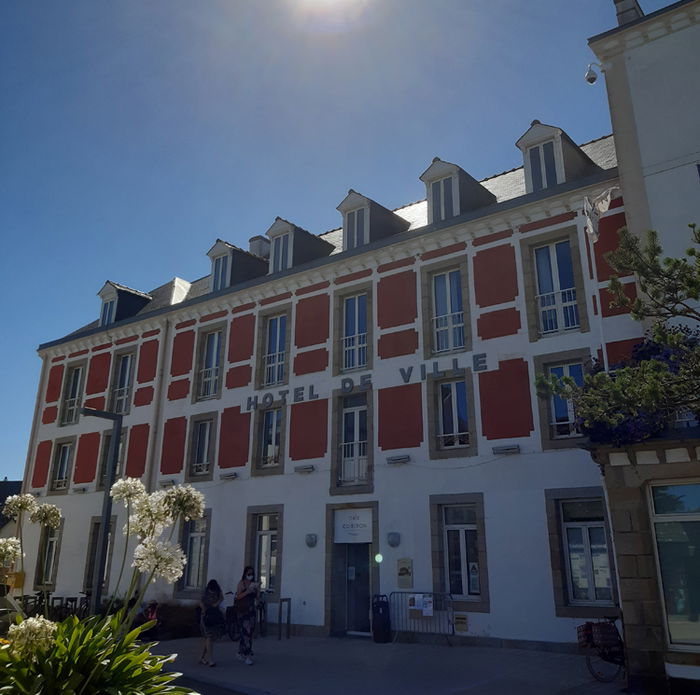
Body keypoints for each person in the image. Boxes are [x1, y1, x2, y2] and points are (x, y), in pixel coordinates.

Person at [235, 566, 259, 665]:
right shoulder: (241, 583)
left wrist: (257, 589)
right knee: (246, 632)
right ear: (245, 574)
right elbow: (238, 596)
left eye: (252, 574)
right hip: (243, 610)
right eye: (249, 573)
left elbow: (257, 597)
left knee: (249, 632)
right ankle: (248, 655)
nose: (250, 575)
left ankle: (241, 652)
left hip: (251, 610)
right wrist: (247, 592)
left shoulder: (254, 584)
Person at [199, 579, 224, 666]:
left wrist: (216, 604)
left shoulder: (218, 590)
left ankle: (202, 658)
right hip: (206, 616)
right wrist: (204, 610)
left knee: (209, 639)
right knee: (209, 637)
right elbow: (201, 602)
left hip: (215, 615)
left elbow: (221, 598)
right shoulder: (205, 592)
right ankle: (210, 660)